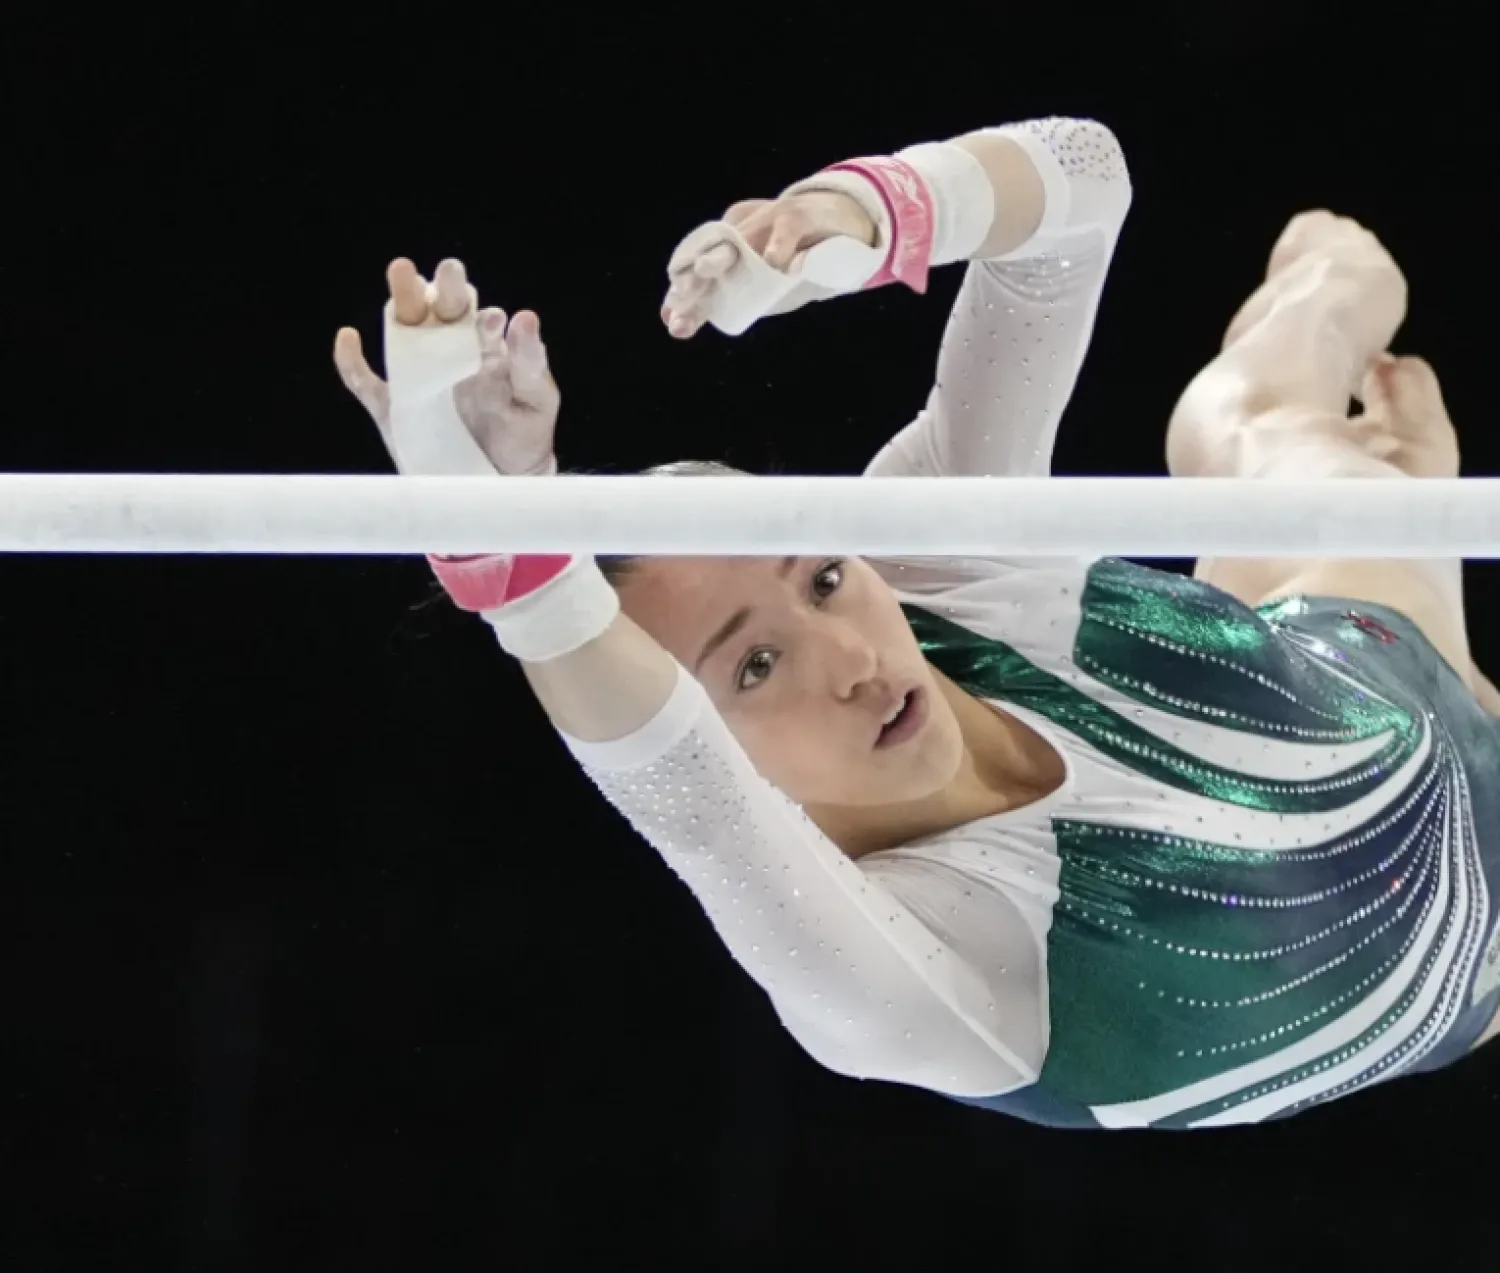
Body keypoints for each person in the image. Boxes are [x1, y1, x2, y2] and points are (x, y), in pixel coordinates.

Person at [333, 116, 1500, 1130]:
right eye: (755, 665)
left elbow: (1084, 183)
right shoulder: (907, 976)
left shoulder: (935, 563)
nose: (849, 659)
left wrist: (854, 215)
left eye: (823, 579)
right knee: (1298, 458)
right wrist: (501, 549)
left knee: (1317, 321)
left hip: (1370, 664)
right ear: (706, 738)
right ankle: (1344, 462)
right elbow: (668, 778)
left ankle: (1297, 395)